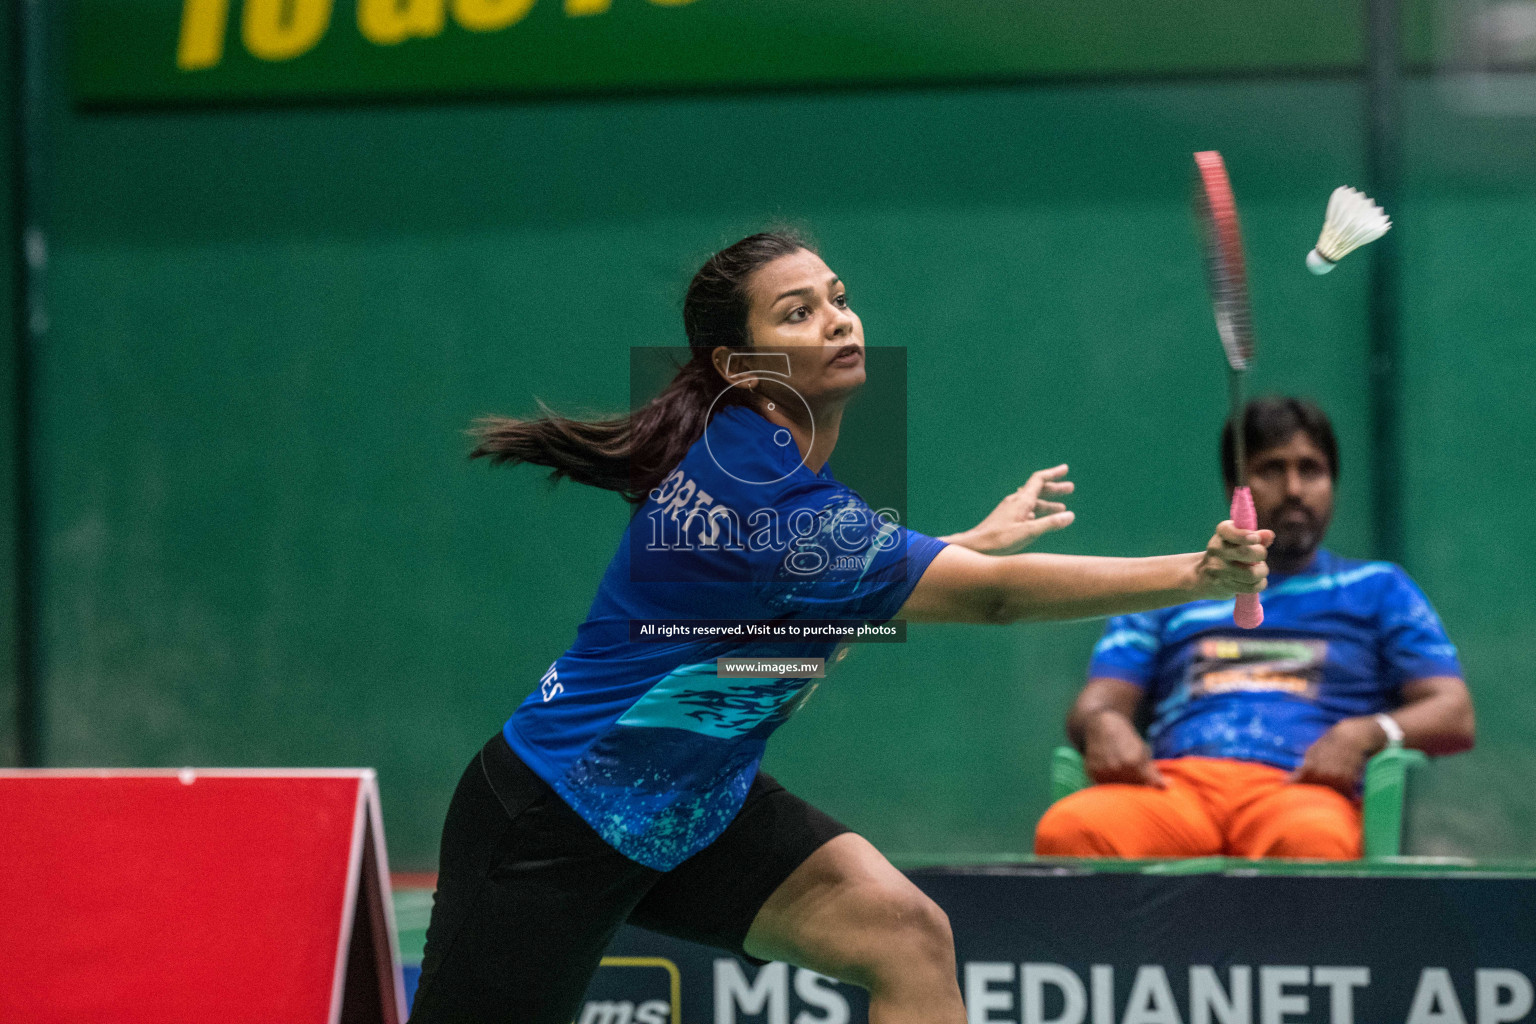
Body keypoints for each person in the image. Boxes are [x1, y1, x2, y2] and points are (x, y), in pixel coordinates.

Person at [407, 231, 1273, 1024]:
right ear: (741, 366)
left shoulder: (759, 464)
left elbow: (807, 611)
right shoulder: (770, 497)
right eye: (798, 312)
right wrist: (1196, 575)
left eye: (837, 297)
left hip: (695, 808)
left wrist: (959, 548)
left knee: (904, 935)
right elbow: (992, 599)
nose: (836, 321)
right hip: (557, 817)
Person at [1034, 397, 1474, 861]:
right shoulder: (1172, 588)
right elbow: (1097, 702)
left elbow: (1453, 713)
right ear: (1235, 488)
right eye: (1270, 470)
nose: (1294, 490)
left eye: (1312, 470)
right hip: (1174, 788)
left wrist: (1363, 734)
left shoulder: (1379, 589)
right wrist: (1103, 723)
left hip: (1299, 792)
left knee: (1314, 844)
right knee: (1071, 831)